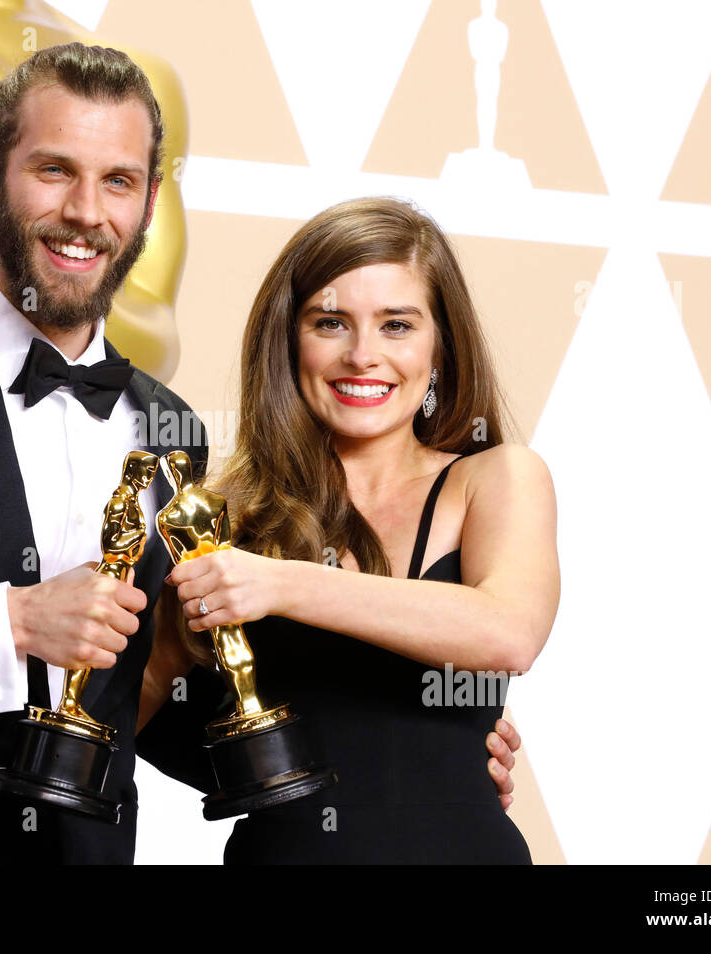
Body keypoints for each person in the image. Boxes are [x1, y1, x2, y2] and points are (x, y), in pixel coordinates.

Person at [0, 42, 520, 864]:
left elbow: (154, 699)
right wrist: (13, 622)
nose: (86, 211)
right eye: (54, 170)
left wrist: (425, 744)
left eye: (119, 181)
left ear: (149, 204)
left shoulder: (171, 429)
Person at [140, 197, 558, 863]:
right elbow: (131, 728)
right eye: (331, 322)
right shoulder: (220, 516)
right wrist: (170, 636)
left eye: (397, 325)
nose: (364, 356)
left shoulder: (498, 478)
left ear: (440, 347)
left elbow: (507, 633)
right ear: (288, 341)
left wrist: (274, 585)